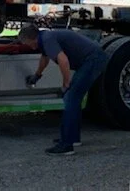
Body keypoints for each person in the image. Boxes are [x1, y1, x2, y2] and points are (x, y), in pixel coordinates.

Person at [18, 23, 109, 156]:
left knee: (70, 98)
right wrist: (37, 75)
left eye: (26, 42)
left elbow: (63, 60)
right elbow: (44, 58)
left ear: (31, 38)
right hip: (91, 59)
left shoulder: (47, 39)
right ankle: (73, 139)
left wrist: (66, 82)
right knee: (74, 99)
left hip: (92, 60)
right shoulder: (45, 38)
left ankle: (67, 145)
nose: (28, 46)